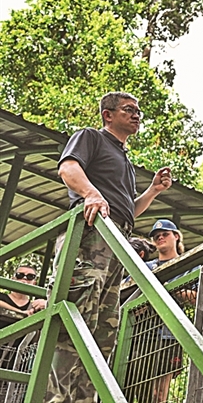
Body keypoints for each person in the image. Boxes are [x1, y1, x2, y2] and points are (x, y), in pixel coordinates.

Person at [49, 91, 172, 403]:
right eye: (129, 110)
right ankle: (54, 399)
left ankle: (84, 400)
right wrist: (90, 193)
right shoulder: (91, 137)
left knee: (103, 334)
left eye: (138, 111)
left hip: (117, 243)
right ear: (108, 115)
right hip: (90, 236)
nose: (136, 116)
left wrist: (153, 191)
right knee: (74, 324)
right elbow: (68, 169)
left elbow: (126, 208)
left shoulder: (125, 161)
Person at [139, 219, 196, 403]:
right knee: (140, 390)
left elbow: (197, 298)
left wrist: (170, 289)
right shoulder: (146, 267)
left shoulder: (187, 266)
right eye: (157, 236)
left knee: (159, 393)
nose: (160, 238)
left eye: (165, 234)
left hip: (170, 335)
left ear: (176, 236)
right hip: (143, 335)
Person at [0, 265, 46, 369]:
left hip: (20, 362)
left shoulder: (35, 307)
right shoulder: (2, 298)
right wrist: (21, 313)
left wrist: (45, 303)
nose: (24, 279)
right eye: (20, 275)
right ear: (13, 278)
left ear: (34, 282)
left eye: (30, 276)